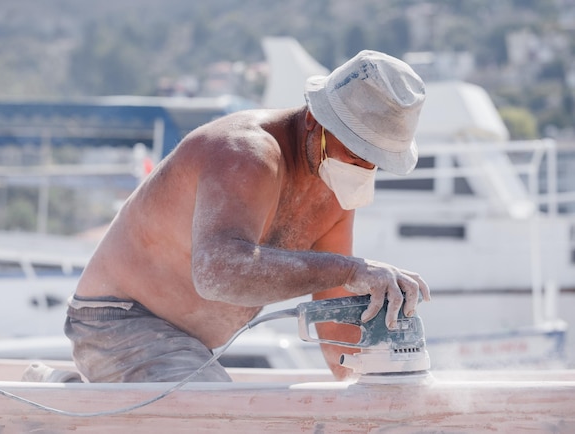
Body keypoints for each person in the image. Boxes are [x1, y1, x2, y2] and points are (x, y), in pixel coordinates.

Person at [64, 50, 430, 383]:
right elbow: (218, 273)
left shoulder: (333, 190)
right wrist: (351, 270)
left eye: (374, 160)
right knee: (222, 419)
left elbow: (335, 316)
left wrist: (363, 388)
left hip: (187, 345)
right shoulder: (244, 152)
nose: (363, 168)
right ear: (315, 121)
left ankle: (67, 395)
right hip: (118, 320)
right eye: (356, 152)